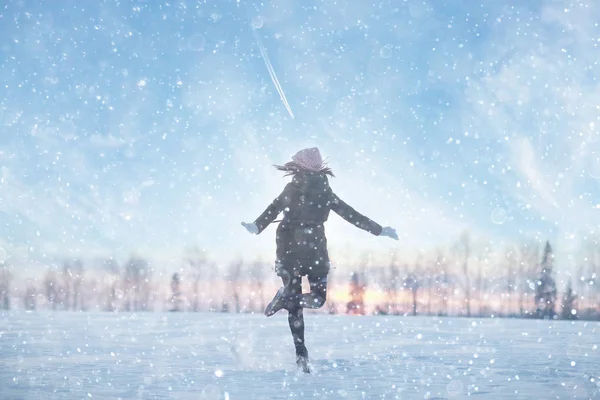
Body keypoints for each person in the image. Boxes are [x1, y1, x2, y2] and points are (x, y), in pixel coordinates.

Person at [241, 147, 398, 373]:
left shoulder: (324, 191)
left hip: (313, 247)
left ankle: (284, 298)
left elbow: (349, 213)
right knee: (298, 306)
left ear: (303, 167)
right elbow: (274, 208)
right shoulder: (292, 189)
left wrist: (379, 230)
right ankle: (301, 354)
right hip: (290, 246)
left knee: (317, 298)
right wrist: (256, 226)